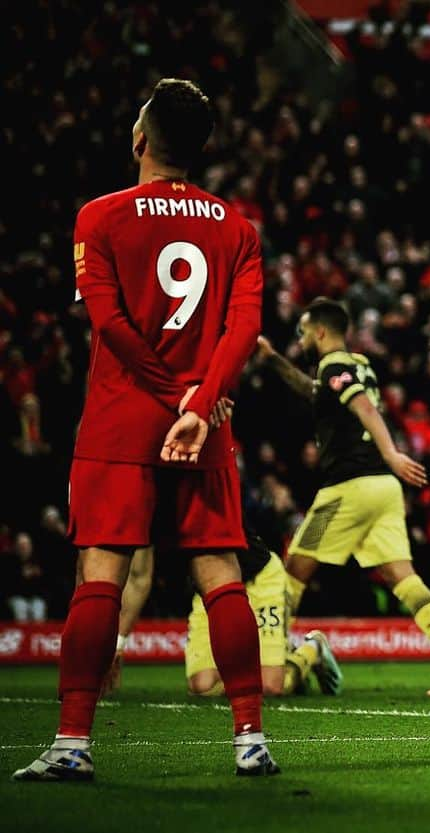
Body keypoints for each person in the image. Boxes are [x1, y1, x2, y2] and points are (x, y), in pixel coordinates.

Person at [15, 79, 278, 780]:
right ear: (203, 148)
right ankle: (250, 737)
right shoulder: (236, 227)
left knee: (102, 570)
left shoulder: (99, 218)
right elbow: (243, 327)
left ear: (140, 140)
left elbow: (109, 323)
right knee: (220, 572)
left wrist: (171, 395)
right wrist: (201, 400)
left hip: (121, 419)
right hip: (207, 420)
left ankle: (73, 742)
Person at [258, 298, 430, 695]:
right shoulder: (359, 364)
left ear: (320, 332)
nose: (303, 339)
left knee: (295, 569)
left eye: (305, 332)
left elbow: (363, 408)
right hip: (384, 492)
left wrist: (392, 453)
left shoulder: (335, 365)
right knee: (402, 576)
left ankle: (271, 657)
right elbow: (316, 393)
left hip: (348, 488)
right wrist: (273, 361)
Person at [102, 527, 343, 699]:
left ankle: (314, 649)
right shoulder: (145, 509)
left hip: (259, 579)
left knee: (269, 687)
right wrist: (116, 645)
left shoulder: (201, 482)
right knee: (203, 687)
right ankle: (286, 661)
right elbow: (137, 578)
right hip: (209, 591)